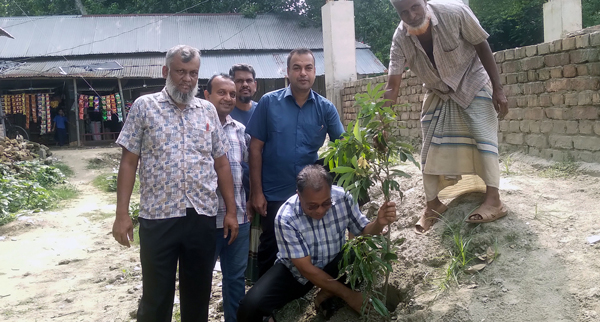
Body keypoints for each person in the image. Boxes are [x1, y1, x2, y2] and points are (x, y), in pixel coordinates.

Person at [112, 45, 239, 322]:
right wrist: (122, 214)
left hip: (201, 216)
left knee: (198, 296)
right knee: (156, 297)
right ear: (165, 72)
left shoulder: (206, 111)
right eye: (181, 72)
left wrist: (230, 210)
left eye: (193, 73)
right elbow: (129, 162)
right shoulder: (145, 107)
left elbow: (221, 163)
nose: (187, 79)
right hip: (158, 217)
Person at [384, 0, 509, 233]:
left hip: (471, 80)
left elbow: (481, 45)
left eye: (415, 7)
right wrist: (382, 124)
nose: (411, 15)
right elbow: (393, 84)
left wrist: (498, 89)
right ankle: (433, 205)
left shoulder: (455, 12)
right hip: (438, 91)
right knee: (429, 147)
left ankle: (494, 200)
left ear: (424, 1)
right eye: (403, 12)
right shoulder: (400, 38)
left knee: (484, 137)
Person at [237, 165, 397, 322]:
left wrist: (379, 223)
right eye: (312, 206)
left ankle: (325, 296)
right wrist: (350, 296)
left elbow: (363, 232)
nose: (320, 210)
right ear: (299, 196)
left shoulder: (343, 198)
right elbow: (305, 269)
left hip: (335, 263)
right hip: (296, 273)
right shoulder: (286, 217)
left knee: (359, 254)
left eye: (326, 203)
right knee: (249, 307)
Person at [245, 48, 345, 277]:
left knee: (312, 242)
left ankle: (307, 294)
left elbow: (343, 146)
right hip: (274, 191)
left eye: (308, 68)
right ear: (287, 72)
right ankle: (264, 306)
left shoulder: (325, 108)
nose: (303, 73)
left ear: (314, 72)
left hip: (310, 194)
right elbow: (255, 148)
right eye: (297, 68)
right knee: (271, 245)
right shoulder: (269, 103)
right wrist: (256, 193)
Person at [204, 74, 250, 322]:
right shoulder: (197, 128)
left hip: (239, 219)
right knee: (201, 279)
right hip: (206, 220)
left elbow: (246, 172)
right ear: (206, 95)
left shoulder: (240, 131)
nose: (228, 98)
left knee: (235, 279)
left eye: (232, 94)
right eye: (221, 92)